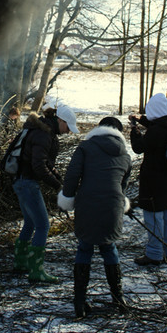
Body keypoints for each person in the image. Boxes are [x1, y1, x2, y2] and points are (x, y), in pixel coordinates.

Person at [58, 116, 132, 318]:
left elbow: (72, 175)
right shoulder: (125, 156)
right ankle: (118, 299)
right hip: (112, 206)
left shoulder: (85, 147)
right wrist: (121, 202)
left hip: (87, 204)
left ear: (99, 128)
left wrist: (67, 198)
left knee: (85, 247)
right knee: (109, 247)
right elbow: (122, 186)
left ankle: (79, 302)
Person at [12, 103, 79, 283]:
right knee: (43, 225)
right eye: (68, 127)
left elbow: (45, 162)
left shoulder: (41, 130)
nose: (68, 132)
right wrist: (57, 186)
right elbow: (39, 166)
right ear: (60, 121)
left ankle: (20, 262)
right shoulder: (44, 135)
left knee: (30, 223)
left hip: (20, 181)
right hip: (28, 183)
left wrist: (59, 179)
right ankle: (36, 271)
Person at [129, 93, 167, 266]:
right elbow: (157, 125)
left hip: (154, 181)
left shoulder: (157, 131)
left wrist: (134, 130)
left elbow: (139, 147)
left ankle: (154, 254)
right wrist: (142, 120)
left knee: (153, 217)